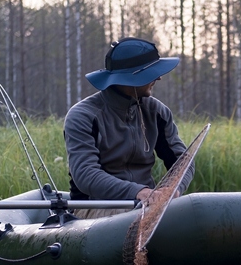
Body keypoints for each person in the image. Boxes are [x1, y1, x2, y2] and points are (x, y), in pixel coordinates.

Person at [64, 37, 193, 214]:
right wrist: (138, 192)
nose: (159, 77)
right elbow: (86, 175)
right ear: (132, 77)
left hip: (145, 206)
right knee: (132, 217)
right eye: (152, 72)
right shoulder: (83, 116)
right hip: (95, 207)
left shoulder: (157, 112)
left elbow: (183, 161)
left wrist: (173, 189)